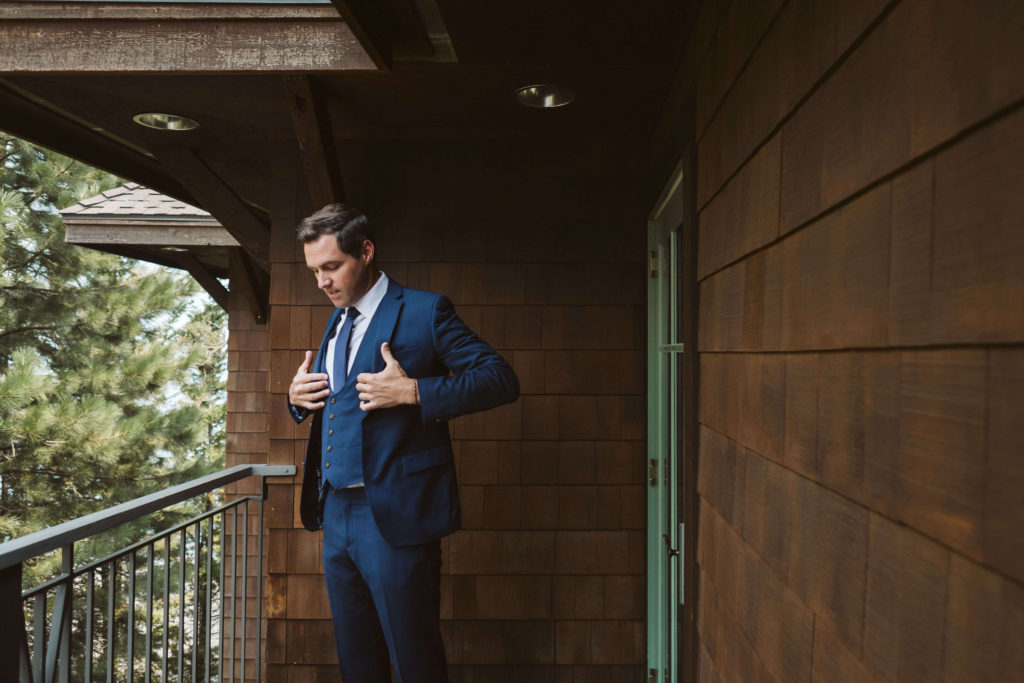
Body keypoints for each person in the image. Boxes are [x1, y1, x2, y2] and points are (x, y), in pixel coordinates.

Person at [287, 203, 519, 683]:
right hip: (336, 513)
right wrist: (297, 400)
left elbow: (500, 379)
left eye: (332, 267)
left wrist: (413, 391)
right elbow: (339, 401)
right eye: (314, 271)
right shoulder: (337, 319)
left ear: (366, 252)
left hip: (395, 514)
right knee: (358, 662)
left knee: (415, 661)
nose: (323, 282)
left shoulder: (424, 311)